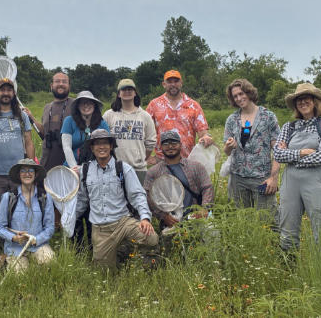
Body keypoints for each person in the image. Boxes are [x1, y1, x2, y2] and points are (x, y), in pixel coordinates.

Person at [75, 129, 158, 267]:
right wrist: (67, 219)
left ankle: (148, 262)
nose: (101, 147)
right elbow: (82, 201)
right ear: (92, 148)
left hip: (123, 222)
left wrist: (144, 217)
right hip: (100, 229)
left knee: (151, 237)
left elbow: (137, 195)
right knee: (105, 273)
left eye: (105, 143)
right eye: (97, 144)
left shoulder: (123, 168)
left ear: (111, 146)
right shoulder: (84, 171)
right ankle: (122, 253)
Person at [273, 83, 321, 252]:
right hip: (290, 182)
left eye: (306, 98)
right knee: (287, 229)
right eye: (298, 100)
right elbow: (278, 155)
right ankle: (287, 271)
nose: (302, 102)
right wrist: (302, 153)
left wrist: (291, 156)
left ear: (316, 101)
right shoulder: (289, 127)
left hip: (317, 181)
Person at [0, 78, 35, 236]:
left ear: (14, 93)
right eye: (2, 90)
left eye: (9, 90)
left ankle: (20, 243)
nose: (6, 93)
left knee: (20, 211)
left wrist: (31, 170)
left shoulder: (21, 116)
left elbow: (29, 143)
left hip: (18, 174)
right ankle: (1, 246)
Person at [223, 79, 281, 221]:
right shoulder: (232, 119)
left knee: (268, 219)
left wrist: (274, 178)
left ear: (249, 93)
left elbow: (278, 151)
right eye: (235, 96)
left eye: (241, 94)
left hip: (262, 178)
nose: (238, 98)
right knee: (243, 220)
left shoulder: (268, 117)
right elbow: (226, 151)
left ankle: (274, 243)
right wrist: (229, 146)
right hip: (238, 177)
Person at [22, 72, 74, 228]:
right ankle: (51, 231)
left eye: (64, 81)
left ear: (69, 86)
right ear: (51, 85)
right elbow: (44, 134)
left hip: (66, 161)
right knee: (47, 199)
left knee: (65, 198)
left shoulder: (75, 104)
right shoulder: (47, 108)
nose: (61, 84)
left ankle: (65, 233)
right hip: (47, 160)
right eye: (57, 81)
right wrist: (31, 118)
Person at [60, 91, 109, 248]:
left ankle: (94, 246)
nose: (86, 106)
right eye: (82, 103)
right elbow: (66, 146)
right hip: (72, 172)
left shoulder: (101, 123)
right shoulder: (70, 121)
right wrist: (75, 168)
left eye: (89, 103)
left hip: (95, 171)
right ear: (78, 106)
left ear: (94, 105)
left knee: (92, 208)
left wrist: (90, 169)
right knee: (74, 208)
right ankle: (77, 247)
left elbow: (106, 148)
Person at [144, 131, 214, 231]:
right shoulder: (153, 172)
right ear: (160, 147)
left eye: (174, 143)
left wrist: (204, 208)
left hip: (195, 218)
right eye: (165, 144)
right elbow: (147, 195)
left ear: (180, 145)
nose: (170, 146)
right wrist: (163, 216)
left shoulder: (196, 167)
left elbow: (207, 187)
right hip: (170, 222)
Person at [0, 159, 55, 272]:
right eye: (23, 171)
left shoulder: (45, 197)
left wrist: (36, 240)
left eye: (31, 170)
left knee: (49, 262)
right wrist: (13, 237)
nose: (27, 174)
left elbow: (50, 228)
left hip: (38, 246)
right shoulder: (8, 197)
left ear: (36, 174)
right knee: (19, 277)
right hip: (15, 248)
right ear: (19, 175)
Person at [146, 70, 213, 166]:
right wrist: (146, 156)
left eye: (176, 81)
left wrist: (206, 137)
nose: (173, 84)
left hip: (187, 160)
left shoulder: (194, 105)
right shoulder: (154, 104)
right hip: (162, 160)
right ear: (164, 84)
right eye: (169, 82)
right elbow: (143, 130)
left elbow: (202, 131)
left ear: (181, 83)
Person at [103, 79, 156, 185]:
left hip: (139, 170)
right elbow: (102, 140)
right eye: (123, 89)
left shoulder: (145, 116)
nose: (127, 92)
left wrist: (140, 158)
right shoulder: (109, 115)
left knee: (138, 200)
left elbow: (151, 142)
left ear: (135, 92)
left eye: (130, 89)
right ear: (119, 94)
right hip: (114, 168)